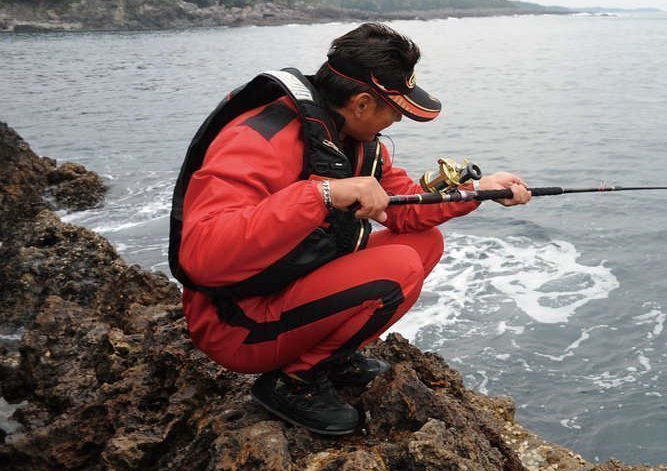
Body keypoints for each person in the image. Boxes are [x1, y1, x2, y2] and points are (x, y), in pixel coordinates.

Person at [169, 23, 531, 435]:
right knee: (399, 269)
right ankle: (295, 383)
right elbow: (201, 257)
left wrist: (478, 191)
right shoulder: (258, 138)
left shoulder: (351, 138)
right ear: (361, 103)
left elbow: (404, 210)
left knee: (423, 243)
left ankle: (330, 357)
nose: (396, 120)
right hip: (235, 326)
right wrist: (322, 194)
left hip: (289, 292)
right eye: (395, 110)